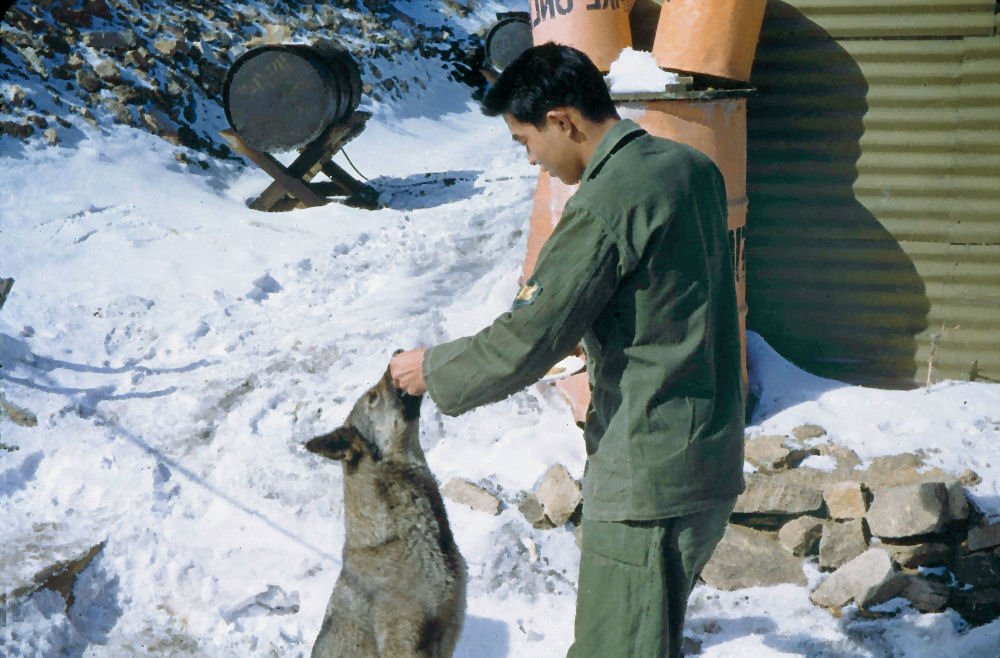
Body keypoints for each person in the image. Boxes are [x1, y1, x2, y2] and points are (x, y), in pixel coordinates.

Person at [390, 43, 745, 658]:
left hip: (647, 476)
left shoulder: (610, 201)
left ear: (562, 120)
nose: (534, 161)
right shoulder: (690, 168)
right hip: (706, 456)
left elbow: (531, 335)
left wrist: (434, 369)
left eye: (526, 141)